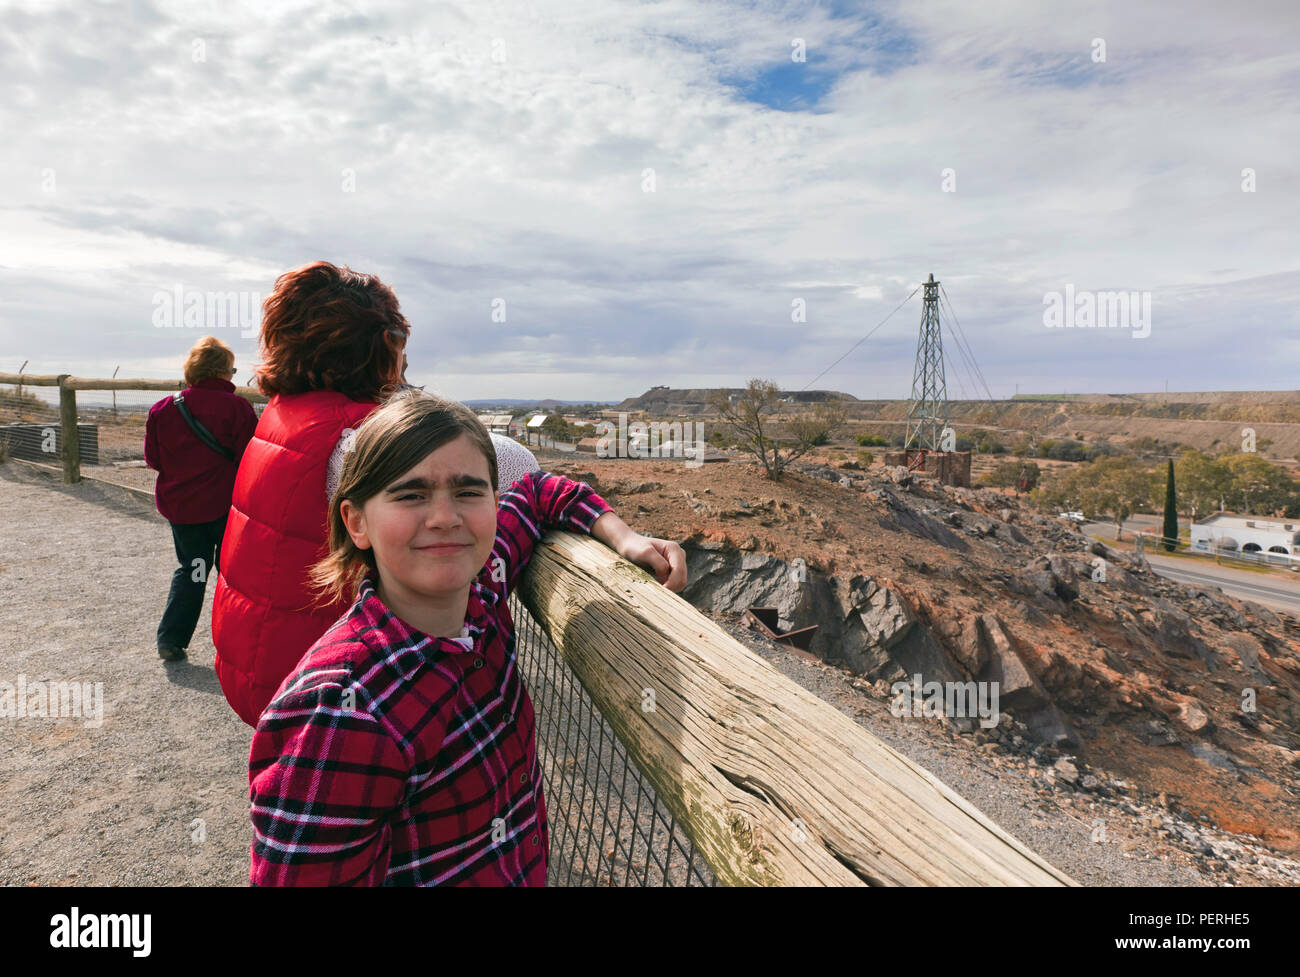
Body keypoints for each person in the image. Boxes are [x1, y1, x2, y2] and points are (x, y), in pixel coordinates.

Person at [248, 391, 686, 885]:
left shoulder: (483, 585)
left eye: (468, 491)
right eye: (410, 494)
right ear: (356, 522)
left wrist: (624, 538)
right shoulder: (339, 713)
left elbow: (541, 492)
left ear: (493, 505)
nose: (445, 517)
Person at [212, 261, 541, 726]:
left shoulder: (283, 417)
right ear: (387, 344)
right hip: (320, 690)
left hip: (256, 659)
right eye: (401, 343)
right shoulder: (351, 443)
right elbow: (515, 466)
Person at [145, 336, 257, 662]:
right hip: (224, 509)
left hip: (183, 510)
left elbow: (154, 460)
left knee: (193, 569)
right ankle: (233, 645)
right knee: (231, 575)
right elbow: (249, 459)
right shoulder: (237, 409)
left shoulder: (163, 409)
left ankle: (172, 638)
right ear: (223, 372)